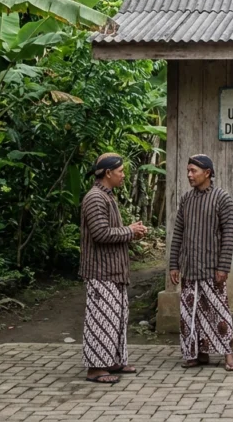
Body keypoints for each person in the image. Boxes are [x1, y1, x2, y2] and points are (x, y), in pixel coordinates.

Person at [80, 153, 147, 384]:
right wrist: (130, 231)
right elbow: (100, 233)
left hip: (113, 272)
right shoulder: (95, 198)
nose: (123, 176)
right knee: (101, 320)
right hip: (101, 272)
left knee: (116, 319)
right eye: (121, 172)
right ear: (108, 173)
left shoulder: (107, 196)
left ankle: (113, 362)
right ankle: (96, 369)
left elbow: (110, 231)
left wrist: (131, 231)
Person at [168, 154, 233, 371]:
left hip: (212, 268)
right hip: (189, 269)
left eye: (193, 171)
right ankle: (195, 355)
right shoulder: (186, 200)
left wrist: (223, 266)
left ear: (207, 173)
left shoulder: (222, 198)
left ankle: (229, 356)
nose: (189, 175)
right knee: (189, 315)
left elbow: (229, 234)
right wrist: (174, 264)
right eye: (188, 171)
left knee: (219, 311)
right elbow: (178, 232)